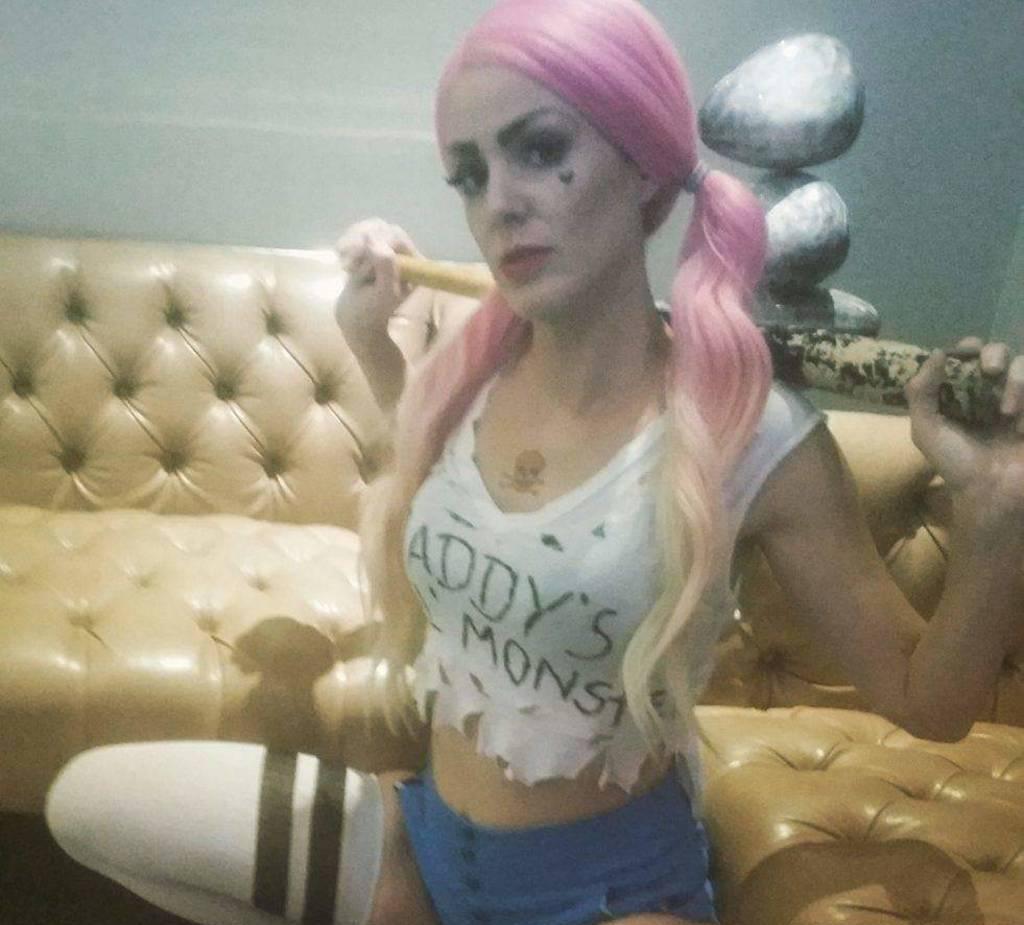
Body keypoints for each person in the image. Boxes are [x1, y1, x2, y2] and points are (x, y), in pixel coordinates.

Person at [45, 1, 1024, 924]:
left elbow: (926, 700)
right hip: (421, 842)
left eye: (541, 150)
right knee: (90, 803)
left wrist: (996, 512)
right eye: (469, 175)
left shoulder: (747, 429)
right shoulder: (470, 374)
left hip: (607, 891)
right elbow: (439, 480)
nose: (499, 203)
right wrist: (372, 341)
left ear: (645, 169)